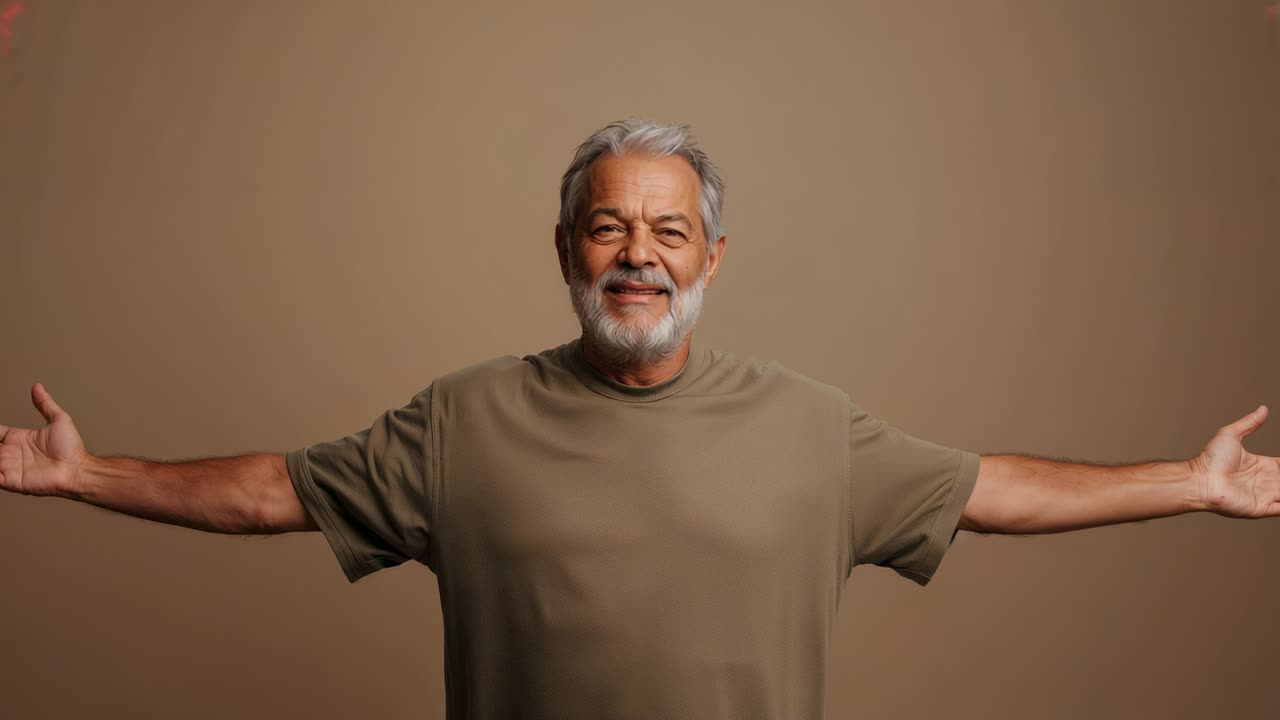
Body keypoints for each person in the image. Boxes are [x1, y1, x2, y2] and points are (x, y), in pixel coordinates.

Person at [1, 118, 1276, 720]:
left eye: (668, 231)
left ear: (711, 259)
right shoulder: (462, 420)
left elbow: (990, 491)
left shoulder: (809, 425)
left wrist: (1190, 480)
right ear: (565, 248)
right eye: (607, 226)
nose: (637, 255)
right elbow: (272, 492)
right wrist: (86, 475)